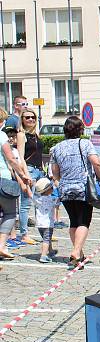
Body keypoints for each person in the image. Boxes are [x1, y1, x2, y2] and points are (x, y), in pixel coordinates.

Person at [49, 116, 100, 270]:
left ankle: (79, 256)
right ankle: (75, 251)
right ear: (80, 129)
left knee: (74, 221)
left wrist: (61, 181)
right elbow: (96, 162)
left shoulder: (57, 147)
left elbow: (55, 172)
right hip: (83, 188)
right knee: (83, 221)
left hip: (65, 189)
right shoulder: (85, 143)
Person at [0, 109, 32, 260]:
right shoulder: (1, 136)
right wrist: (23, 175)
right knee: (10, 213)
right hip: (3, 179)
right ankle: (1, 246)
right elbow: (11, 159)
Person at [17, 107, 45, 244]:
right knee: (26, 204)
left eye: (33, 117)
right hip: (30, 170)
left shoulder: (36, 134)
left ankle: (44, 233)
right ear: (22, 120)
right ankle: (23, 234)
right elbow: (20, 157)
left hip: (39, 171)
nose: (30, 119)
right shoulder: (21, 135)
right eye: (27, 117)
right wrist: (26, 175)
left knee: (40, 204)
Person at [33, 177, 59, 263]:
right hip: (48, 224)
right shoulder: (52, 199)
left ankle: (50, 251)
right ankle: (43, 255)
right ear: (48, 189)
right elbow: (59, 199)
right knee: (46, 239)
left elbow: (30, 195)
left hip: (40, 224)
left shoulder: (37, 199)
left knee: (47, 238)